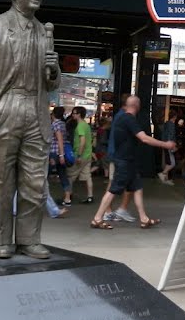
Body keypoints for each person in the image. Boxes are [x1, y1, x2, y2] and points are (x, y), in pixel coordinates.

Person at [0, 0, 61, 260]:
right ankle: (0, 241)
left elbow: (52, 83)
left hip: (37, 110)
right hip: (5, 108)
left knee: (35, 182)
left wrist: (55, 69)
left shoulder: (44, 31)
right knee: (0, 182)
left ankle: (28, 240)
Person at [90, 95, 175, 230]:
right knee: (113, 190)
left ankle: (144, 219)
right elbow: (144, 138)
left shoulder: (121, 118)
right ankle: (97, 218)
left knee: (137, 188)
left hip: (128, 160)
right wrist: (165, 144)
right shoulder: (128, 119)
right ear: (136, 106)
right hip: (124, 161)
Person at [68, 106, 95, 203]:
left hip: (80, 155)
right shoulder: (86, 125)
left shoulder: (80, 126)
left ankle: (68, 196)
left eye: (74, 113)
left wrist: (78, 155)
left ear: (79, 114)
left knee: (70, 175)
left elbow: (82, 141)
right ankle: (90, 196)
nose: (72, 115)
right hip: (88, 154)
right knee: (87, 176)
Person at [49, 106, 72, 206]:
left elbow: (59, 140)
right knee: (63, 175)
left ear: (53, 114)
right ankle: (67, 198)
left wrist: (61, 154)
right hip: (60, 154)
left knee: (44, 174)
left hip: (54, 152)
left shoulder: (55, 124)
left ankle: (44, 199)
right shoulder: (63, 124)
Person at [158, 109, 177, 185]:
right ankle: (163, 173)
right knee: (172, 163)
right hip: (169, 145)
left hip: (165, 144)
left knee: (168, 162)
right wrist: (172, 145)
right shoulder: (171, 125)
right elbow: (170, 135)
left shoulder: (166, 124)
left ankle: (165, 179)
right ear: (175, 117)